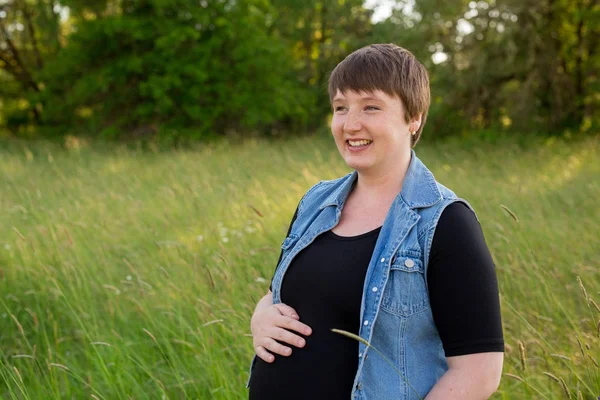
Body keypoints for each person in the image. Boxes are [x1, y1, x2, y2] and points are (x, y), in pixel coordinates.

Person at [247, 43, 504, 400]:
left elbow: (479, 370)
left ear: (413, 118)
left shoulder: (445, 223)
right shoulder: (315, 202)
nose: (350, 124)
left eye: (370, 107)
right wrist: (261, 316)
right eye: (340, 108)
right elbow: (280, 294)